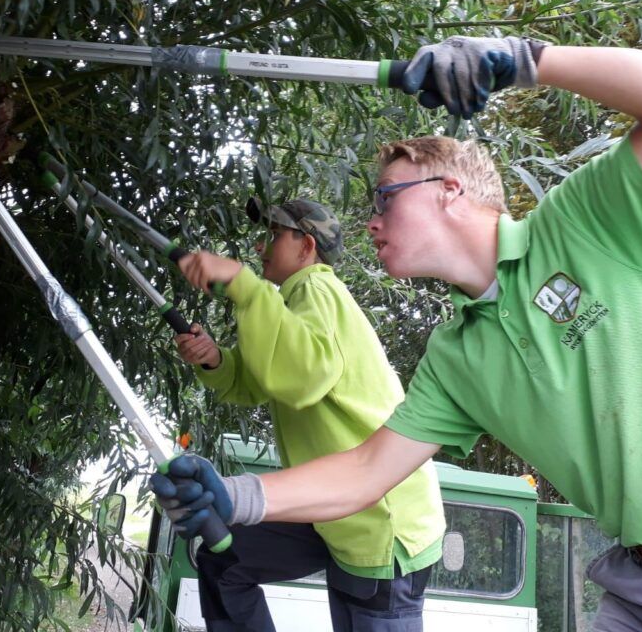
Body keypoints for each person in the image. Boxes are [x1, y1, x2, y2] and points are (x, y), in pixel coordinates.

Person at [154, 36, 642, 632]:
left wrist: (526, 61)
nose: (370, 225)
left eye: (384, 200)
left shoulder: (584, 224)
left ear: (449, 190)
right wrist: (236, 495)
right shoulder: (456, 356)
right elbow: (365, 470)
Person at [155, 196, 446, 631]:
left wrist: (242, 282)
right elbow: (260, 382)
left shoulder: (318, 288)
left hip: (379, 527)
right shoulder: (293, 306)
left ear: (306, 247)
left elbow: (301, 375)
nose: (260, 247)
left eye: (273, 235)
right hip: (327, 512)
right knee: (225, 561)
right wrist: (215, 359)